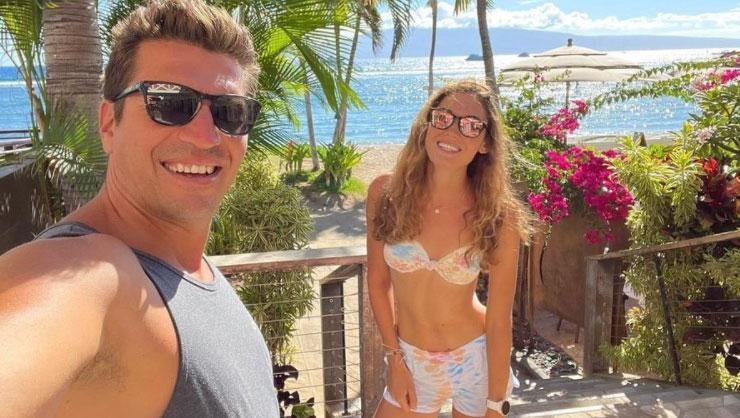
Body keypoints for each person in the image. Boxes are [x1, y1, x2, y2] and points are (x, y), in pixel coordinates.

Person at [0, 1, 279, 416]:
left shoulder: (194, 272)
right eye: (168, 103)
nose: (206, 136)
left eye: (230, 112)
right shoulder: (94, 275)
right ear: (109, 124)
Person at [366, 80, 533, 418]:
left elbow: (499, 320)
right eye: (443, 118)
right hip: (412, 362)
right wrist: (394, 360)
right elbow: (378, 283)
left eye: (471, 125)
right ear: (427, 125)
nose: (453, 131)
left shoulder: (500, 216)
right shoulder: (386, 194)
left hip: (475, 362)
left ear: (485, 144)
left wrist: (496, 404)